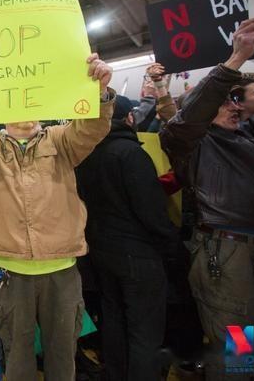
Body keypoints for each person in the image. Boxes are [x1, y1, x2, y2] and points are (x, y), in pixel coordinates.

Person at [0, 54, 115, 381]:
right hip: (7, 272)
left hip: (61, 269)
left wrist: (100, 92)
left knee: (62, 354)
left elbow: (92, 128)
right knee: (17, 355)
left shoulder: (62, 139)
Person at [160, 18, 254, 379]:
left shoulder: (245, 138)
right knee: (239, 348)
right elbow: (190, 115)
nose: (235, 108)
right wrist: (236, 58)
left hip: (252, 250)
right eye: (224, 102)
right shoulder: (189, 141)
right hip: (226, 256)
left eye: (236, 100)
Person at [76, 95, 179, 380]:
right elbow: (151, 211)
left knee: (114, 321)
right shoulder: (131, 153)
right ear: (130, 118)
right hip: (139, 254)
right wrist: (172, 248)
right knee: (145, 332)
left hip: (101, 252)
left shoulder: (85, 154)